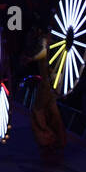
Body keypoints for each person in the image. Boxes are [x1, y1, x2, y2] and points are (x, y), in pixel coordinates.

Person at [24, 19, 67, 158]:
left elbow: (42, 53)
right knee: (52, 110)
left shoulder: (44, 39)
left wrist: (31, 59)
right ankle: (59, 140)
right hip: (53, 81)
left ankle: (47, 140)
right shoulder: (55, 40)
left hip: (47, 83)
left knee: (38, 110)